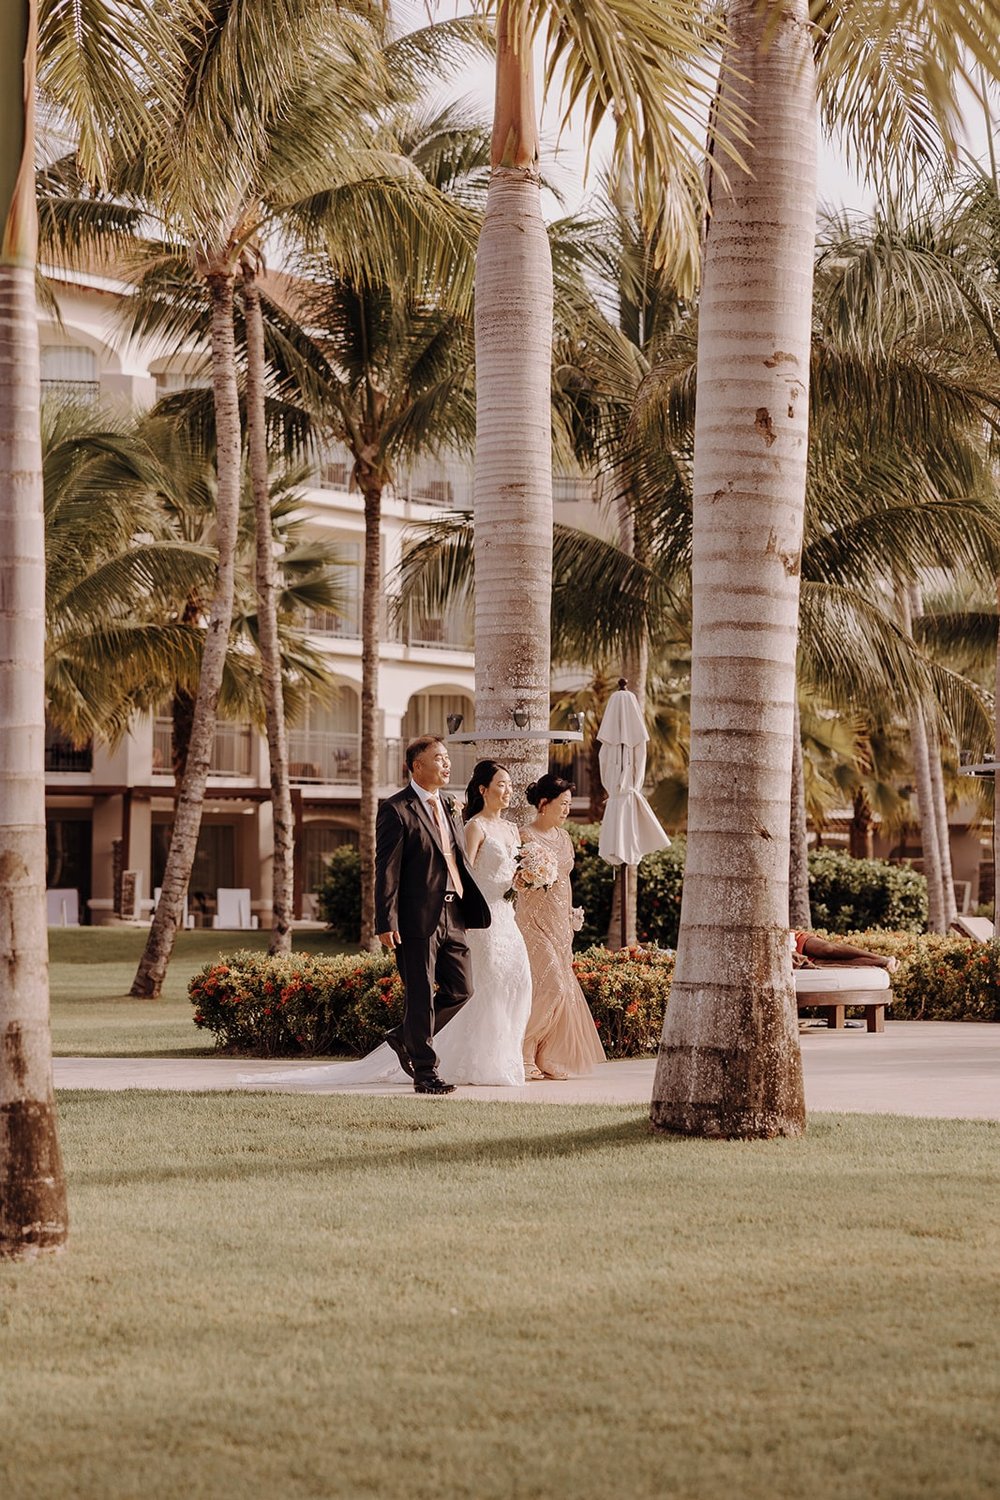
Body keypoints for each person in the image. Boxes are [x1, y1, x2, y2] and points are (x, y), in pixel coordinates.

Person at [375, 735, 491, 1094]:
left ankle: (404, 1036)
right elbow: (387, 869)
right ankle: (426, 1072)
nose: (446, 764)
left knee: (462, 989)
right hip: (415, 916)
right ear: (416, 766)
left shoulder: (451, 806)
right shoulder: (396, 809)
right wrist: (385, 920)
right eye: (438, 759)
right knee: (420, 994)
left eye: (446, 759)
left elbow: (454, 856)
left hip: (454, 912)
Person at [516, 773, 606, 1080]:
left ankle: (547, 1055)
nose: (567, 809)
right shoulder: (524, 836)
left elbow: (565, 880)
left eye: (569, 803)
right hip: (532, 921)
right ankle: (524, 1049)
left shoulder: (564, 837)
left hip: (560, 921)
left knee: (561, 986)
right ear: (544, 803)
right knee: (552, 985)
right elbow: (516, 882)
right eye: (562, 803)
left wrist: (570, 915)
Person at [791, 930, 898, 972]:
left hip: (791, 939)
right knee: (823, 964)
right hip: (790, 956)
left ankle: (880, 957)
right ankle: (883, 962)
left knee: (828, 949)